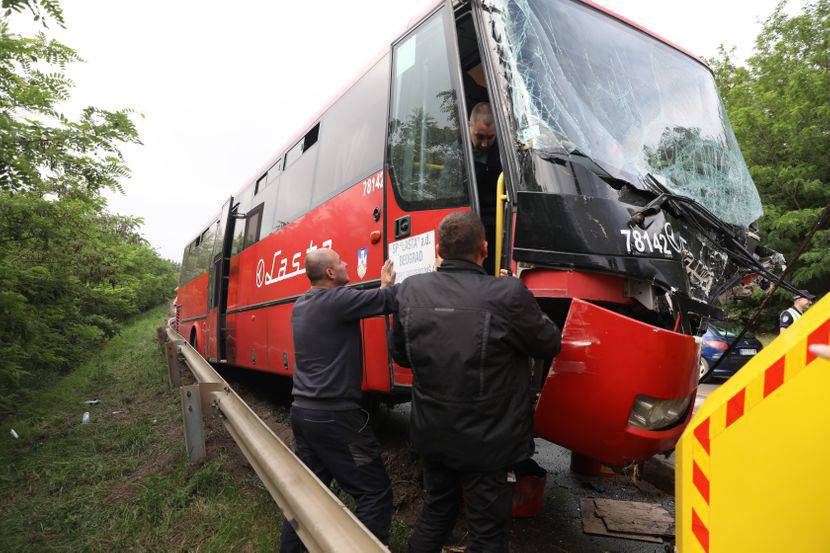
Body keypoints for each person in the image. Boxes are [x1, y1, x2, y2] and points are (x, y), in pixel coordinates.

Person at [391, 211, 561, 553]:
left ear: (439, 249)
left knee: (437, 512)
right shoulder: (508, 294)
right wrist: (521, 298)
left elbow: (402, 356)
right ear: (484, 249)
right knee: (487, 534)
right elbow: (549, 342)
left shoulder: (411, 291)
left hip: (433, 434)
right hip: (489, 444)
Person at [279, 249, 397, 552]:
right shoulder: (338, 300)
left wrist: (381, 288)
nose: (346, 265)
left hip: (304, 414)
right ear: (331, 273)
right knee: (374, 492)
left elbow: (374, 301)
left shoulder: (302, 305)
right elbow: (389, 300)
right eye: (341, 262)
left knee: (308, 496)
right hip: (337, 419)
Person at [469, 102, 502, 275]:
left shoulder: (504, 151)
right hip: (471, 221)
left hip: (498, 222)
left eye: (490, 138)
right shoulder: (458, 152)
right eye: (480, 136)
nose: (484, 144)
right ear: (470, 127)